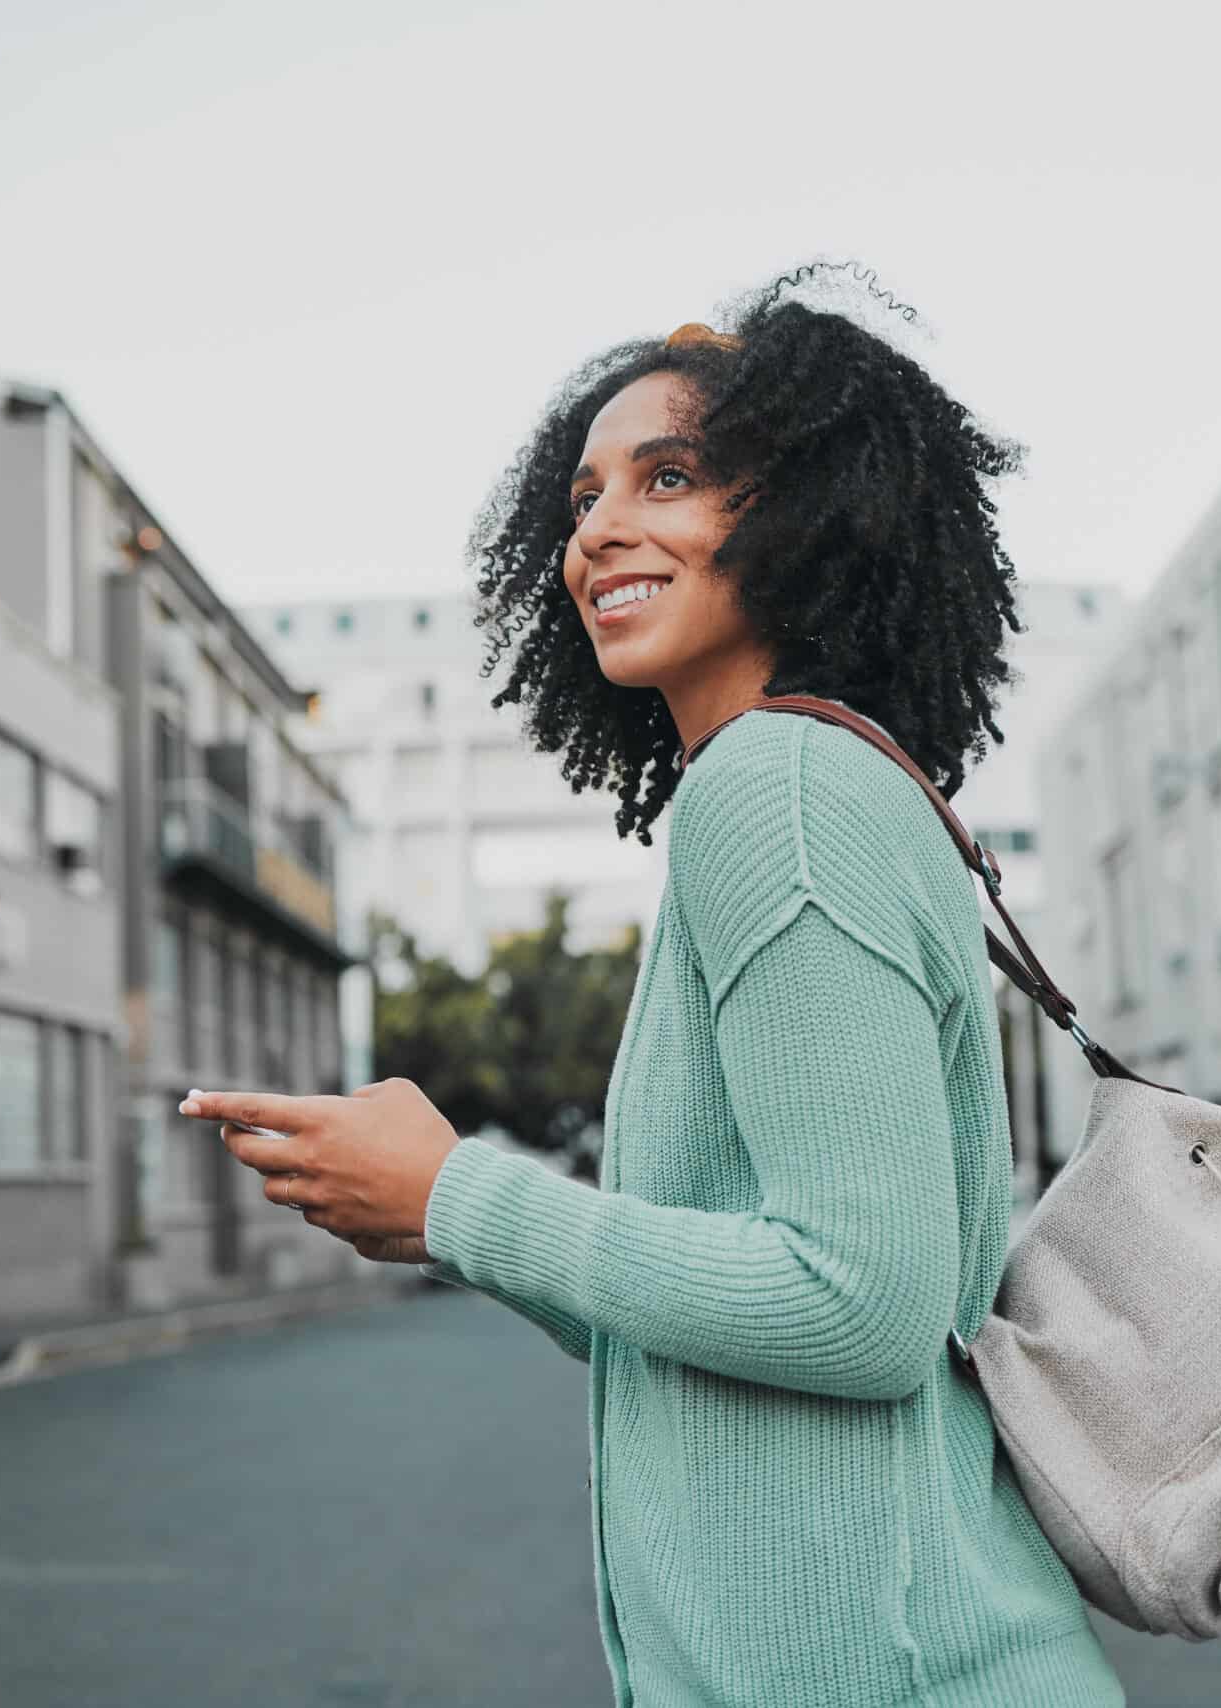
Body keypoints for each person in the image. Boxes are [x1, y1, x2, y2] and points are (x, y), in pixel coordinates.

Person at [178, 261, 1127, 1707]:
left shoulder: (781, 791)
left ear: (811, 512)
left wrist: (459, 1193)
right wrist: (435, 1215)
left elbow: (862, 1306)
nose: (600, 530)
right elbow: (731, 1312)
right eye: (583, 498)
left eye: (669, 477)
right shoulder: (804, 789)